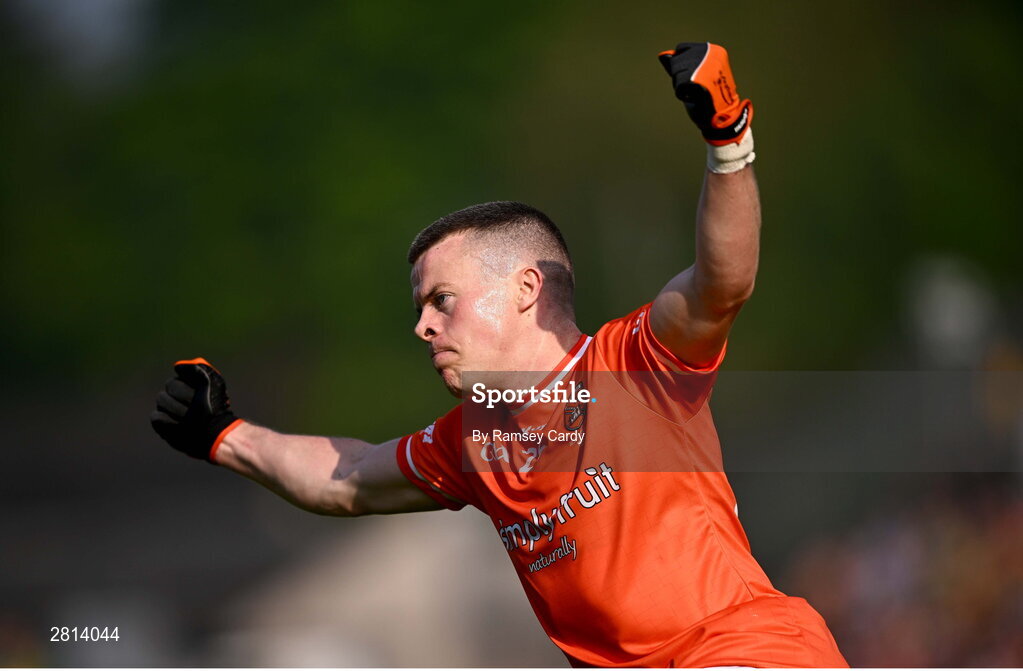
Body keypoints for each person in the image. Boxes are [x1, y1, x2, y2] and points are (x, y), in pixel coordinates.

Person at [151, 42, 848, 667]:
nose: (422, 327)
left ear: (524, 288)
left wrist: (727, 142)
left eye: (441, 300)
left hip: (746, 649)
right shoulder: (473, 443)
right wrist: (226, 437)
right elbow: (347, 477)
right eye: (419, 308)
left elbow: (722, 282)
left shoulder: (633, 361)